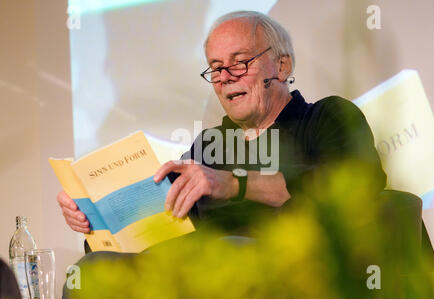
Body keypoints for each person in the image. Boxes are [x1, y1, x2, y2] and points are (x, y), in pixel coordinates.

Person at [57, 11, 386, 244]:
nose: (226, 76)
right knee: (96, 266)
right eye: (216, 68)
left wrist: (232, 184)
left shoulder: (327, 116)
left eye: (240, 61)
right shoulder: (209, 145)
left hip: (300, 279)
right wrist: (96, 222)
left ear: (282, 65)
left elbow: (354, 189)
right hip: (207, 287)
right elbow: (164, 227)